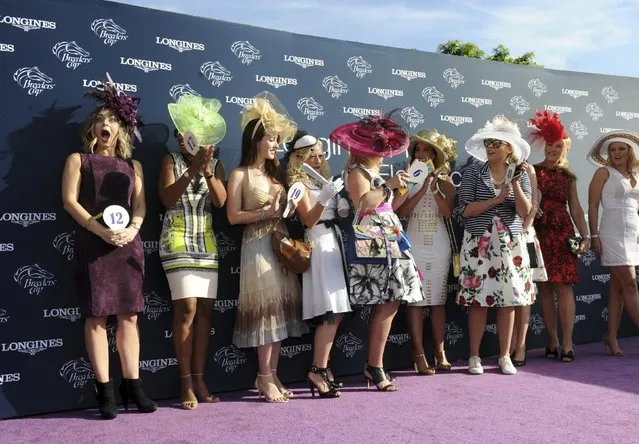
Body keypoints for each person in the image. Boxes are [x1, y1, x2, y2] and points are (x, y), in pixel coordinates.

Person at [61, 74, 156, 419]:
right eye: (101, 119)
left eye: (113, 119)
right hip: (94, 245)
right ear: (93, 128)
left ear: (122, 129)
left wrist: (133, 228)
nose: (106, 124)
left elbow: (141, 204)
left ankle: (133, 385)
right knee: (97, 317)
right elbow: (70, 202)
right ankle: (104, 391)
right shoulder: (79, 160)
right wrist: (98, 229)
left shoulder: (134, 166)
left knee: (129, 317)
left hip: (127, 247)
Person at [330, 112, 424, 391]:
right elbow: (362, 205)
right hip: (372, 243)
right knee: (387, 299)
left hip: (390, 238)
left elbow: (387, 207)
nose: (384, 153)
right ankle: (374, 365)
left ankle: (375, 364)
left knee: (393, 299)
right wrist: (389, 186)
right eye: (380, 147)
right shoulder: (357, 172)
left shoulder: (373, 173)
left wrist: (401, 189)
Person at [226, 92, 308, 403]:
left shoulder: (277, 176)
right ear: (256, 141)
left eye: (277, 140)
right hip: (258, 246)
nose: (276, 146)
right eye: (271, 140)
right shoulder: (239, 174)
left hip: (282, 245)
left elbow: (284, 210)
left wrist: (288, 206)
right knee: (266, 312)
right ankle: (263, 375)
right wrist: (268, 213)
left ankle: (272, 373)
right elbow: (233, 216)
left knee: (281, 310)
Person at [159, 95, 228, 409]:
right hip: (177, 241)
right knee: (186, 309)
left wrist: (206, 170)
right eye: (185, 135)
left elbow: (221, 201)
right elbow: (167, 199)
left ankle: (200, 378)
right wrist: (191, 171)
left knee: (205, 313)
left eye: (197, 135)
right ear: (178, 137)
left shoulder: (215, 165)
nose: (189, 140)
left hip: (206, 244)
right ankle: (185, 381)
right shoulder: (169, 162)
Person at [453, 116, 533, 376]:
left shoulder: (520, 172)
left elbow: (524, 210)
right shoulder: (473, 172)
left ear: (509, 147)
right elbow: (463, 210)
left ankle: (504, 356)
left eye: (496, 143)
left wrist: (514, 186)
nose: (490, 147)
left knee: (508, 300)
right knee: (478, 301)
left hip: (510, 243)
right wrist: (496, 199)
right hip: (479, 242)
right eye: (488, 143)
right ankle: (474, 357)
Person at [286, 131, 350, 398]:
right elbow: (308, 221)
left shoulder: (327, 179)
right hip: (319, 244)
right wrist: (324, 198)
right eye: (311, 156)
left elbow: (338, 213)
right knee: (329, 311)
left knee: (336, 311)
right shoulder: (297, 183)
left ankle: (324, 368)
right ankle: (318, 370)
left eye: (320, 155)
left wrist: (342, 204)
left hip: (335, 245)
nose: (317, 160)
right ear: (299, 158)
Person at [396, 130, 456, 374]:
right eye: (417, 150)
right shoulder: (406, 177)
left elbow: (446, 212)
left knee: (439, 301)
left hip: (439, 243)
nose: (421, 154)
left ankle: (440, 352)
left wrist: (433, 188)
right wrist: (419, 188)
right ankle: (418, 353)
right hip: (415, 242)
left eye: (426, 150)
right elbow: (401, 212)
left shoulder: (446, 180)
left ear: (435, 155)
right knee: (416, 301)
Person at [532, 112, 589, 362]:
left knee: (564, 287)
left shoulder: (569, 176)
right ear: (544, 145)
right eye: (550, 146)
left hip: (563, 232)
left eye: (558, 147)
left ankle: (567, 343)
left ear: (564, 149)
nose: (553, 150)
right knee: (545, 288)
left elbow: (575, 207)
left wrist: (586, 235)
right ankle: (552, 340)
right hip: (539, 230)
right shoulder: (531, 171)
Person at [587, 130, 639, 356]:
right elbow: (592, 206)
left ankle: (611, 337)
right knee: (630, 285)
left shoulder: (636, 175)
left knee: (617, 289)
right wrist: (594, 236)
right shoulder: (602, 172)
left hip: (632, 234)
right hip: (611, 233)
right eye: (613, 149)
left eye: (622, 148)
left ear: (630, 151)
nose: (617, 153)